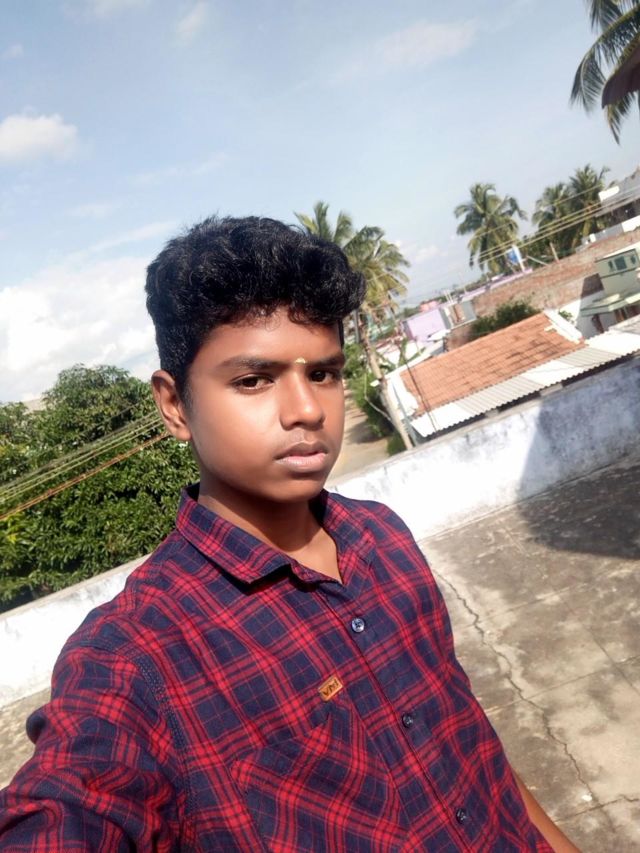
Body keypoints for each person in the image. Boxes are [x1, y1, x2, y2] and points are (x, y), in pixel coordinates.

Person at [0, 216, 578, 851]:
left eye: (323, 374)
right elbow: (70, 805)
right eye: (253, 380)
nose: (307, 410)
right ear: (174, 405)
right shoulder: (136, 657)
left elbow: (467, 744)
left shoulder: (382, 538)